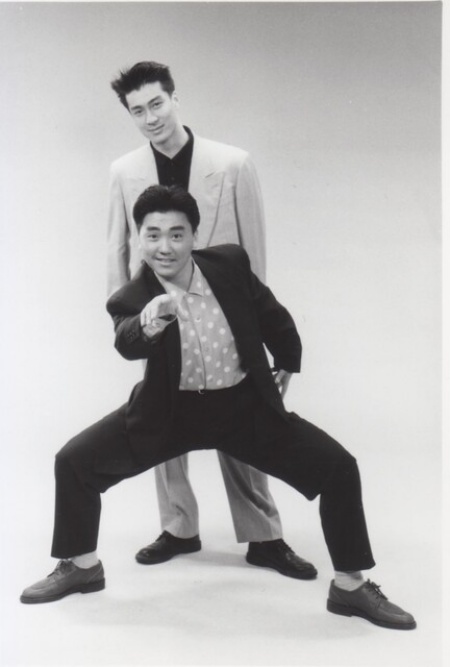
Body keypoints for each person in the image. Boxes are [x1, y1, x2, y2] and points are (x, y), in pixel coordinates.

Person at [21, 186, 416, 631]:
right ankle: (81, 566)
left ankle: (350, 587)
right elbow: (127, 341)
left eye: (176, 234)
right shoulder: (132, 296)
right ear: (139, 237)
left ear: (195, 234)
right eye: (153, 235)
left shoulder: (228, 264)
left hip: (243, 409)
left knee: (339, 467)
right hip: (170, 414)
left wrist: (288, 360)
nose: (164, 247)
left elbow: (271, 314)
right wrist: (150, 322)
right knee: (73, 461)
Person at [107, 60, 314, 578]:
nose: (151, 118)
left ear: (175, 98)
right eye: (138, 110)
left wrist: (258, 329)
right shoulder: (124, 171)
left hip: (224, 314)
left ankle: (264, 536)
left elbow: (253, 255)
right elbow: (118, 248)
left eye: (157, 103)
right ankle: (179, 527)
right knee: (160, 417)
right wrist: (126, 318)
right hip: (158, 314)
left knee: (242, 415)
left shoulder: (233, 163)